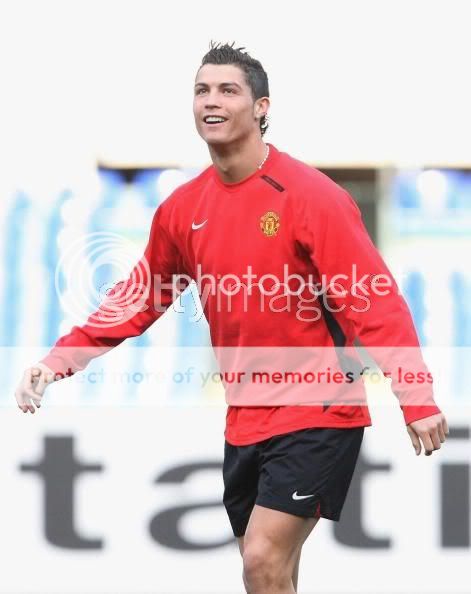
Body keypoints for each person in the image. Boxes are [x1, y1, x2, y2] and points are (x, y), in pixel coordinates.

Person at [15, 42, 449, 594]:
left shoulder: (312, 196)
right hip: (245, 418)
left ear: (262, 108)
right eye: (201, 90)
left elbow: (374, 301)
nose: (210, 101)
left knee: (262, 559)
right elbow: (140, 297)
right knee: (269, 570)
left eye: (228, 90)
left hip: (318, 410)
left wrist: (416, 397)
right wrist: (58, 361)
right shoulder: (182, 209)